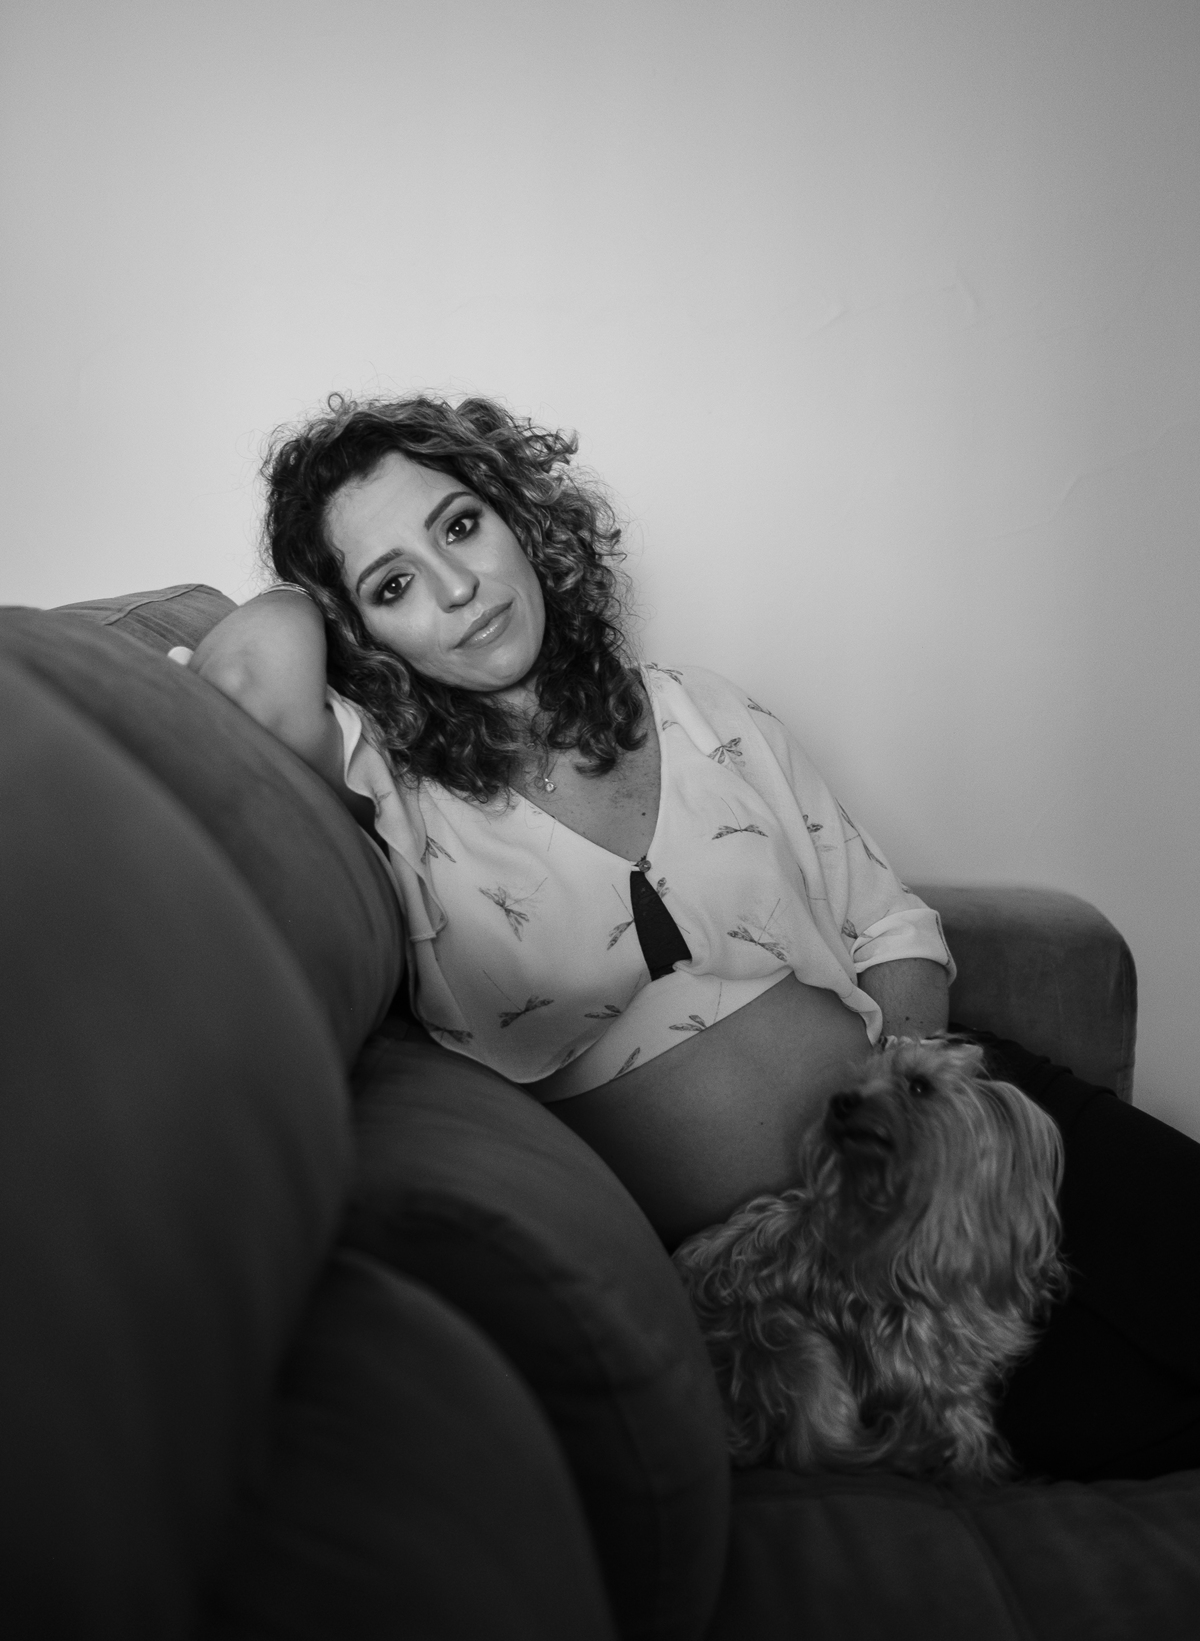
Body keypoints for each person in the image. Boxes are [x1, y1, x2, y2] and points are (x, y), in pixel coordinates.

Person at [187, 391, 1200, 1481]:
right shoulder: (394, 792)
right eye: (393, 585)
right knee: (1145, 1424)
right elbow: (245, 674)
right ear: (360, 633)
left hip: (972, 1130)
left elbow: (889, 920)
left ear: (519, 518)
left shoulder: (705, 711)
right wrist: (317, 591)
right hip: (802, 1276)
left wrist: (918, 1108)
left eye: (461, 525)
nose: (457, 587)